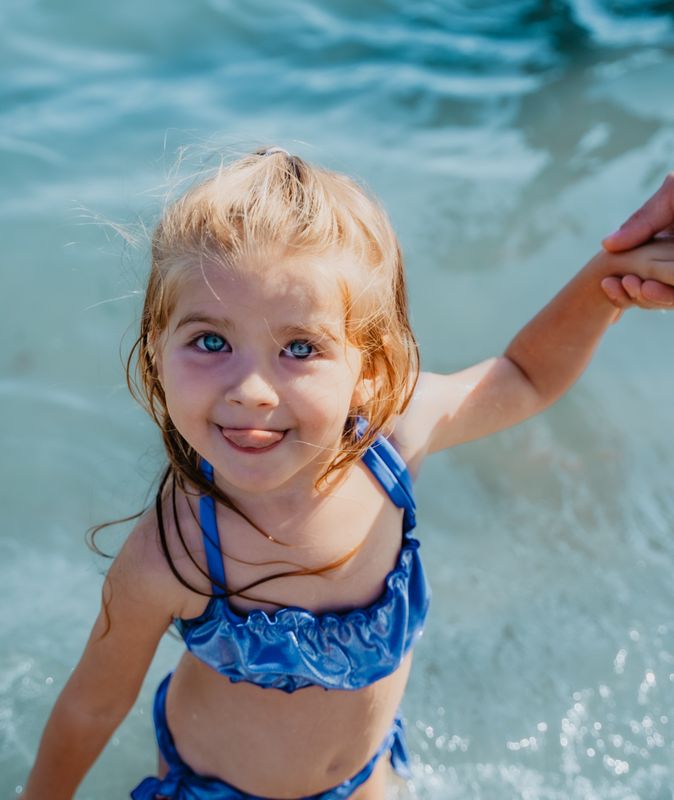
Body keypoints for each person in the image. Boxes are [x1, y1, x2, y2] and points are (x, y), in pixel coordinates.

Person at [22, 150, 674, 800]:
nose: (251, 389)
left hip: (366, 780)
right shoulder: (173, 553)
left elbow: (523, 378)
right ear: (158, 351)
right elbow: (93, 707)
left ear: (370, 368)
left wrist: (604, 284)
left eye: (299, 348)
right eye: (211, 342)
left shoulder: (391, 440)